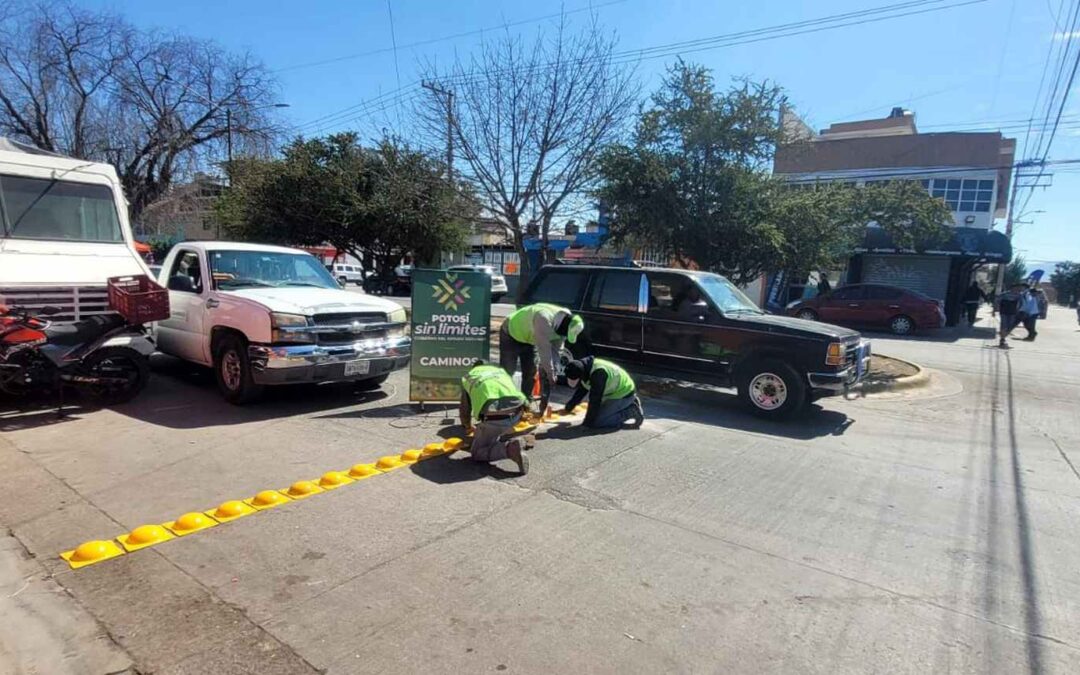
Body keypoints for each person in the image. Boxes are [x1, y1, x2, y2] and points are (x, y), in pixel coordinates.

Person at [499, 303, 584, 409]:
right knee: (507, 371)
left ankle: (526, 403)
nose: (563, 335)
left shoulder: (565, 325)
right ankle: (504, 404)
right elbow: (545, 351)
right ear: (562, 325)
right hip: (511, 334)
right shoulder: (543, 318)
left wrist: (554, 372)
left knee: (530, 371)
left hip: (530, 339)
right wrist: (549, 372)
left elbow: (556, 351)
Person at [458, 361, 530, 474]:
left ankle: (509, 450)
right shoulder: (500, 372)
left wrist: (467, 426)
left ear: (474, 368)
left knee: (477, 453)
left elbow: (465, 409)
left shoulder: (469, 377)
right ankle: (507, 437)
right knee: (494, 429)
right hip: (518, 412)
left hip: (495, 418)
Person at [560, 357, 644, 430]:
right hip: (614, 392)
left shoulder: (598, 375)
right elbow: (580, 392)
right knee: (596, 416)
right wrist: (569, 407)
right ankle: (625, 406)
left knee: (598, 422)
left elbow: (595, 401)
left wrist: (587, 424)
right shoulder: (585, 367)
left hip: (624, 394)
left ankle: (630, 411)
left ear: (581, 375)